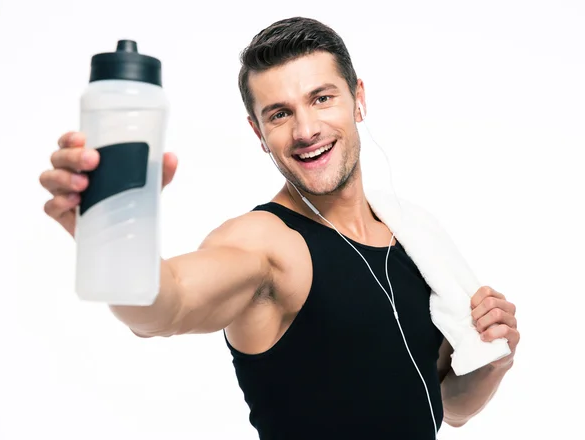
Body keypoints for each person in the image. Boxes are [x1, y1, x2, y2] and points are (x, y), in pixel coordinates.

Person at [39, 16, 520, 440]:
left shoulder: (411, 234)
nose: (305, 129)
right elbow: (166, 306)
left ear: (358, 99)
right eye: (280, 113)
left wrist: (492, 360)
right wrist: (113, 236)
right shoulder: (266, 245)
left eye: (321, 98)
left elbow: (446, 404)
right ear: (259, 133)